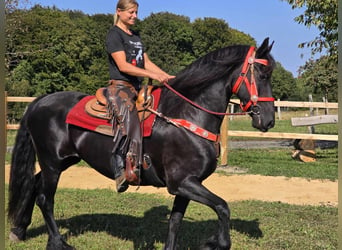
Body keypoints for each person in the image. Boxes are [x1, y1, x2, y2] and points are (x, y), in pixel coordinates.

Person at [105, 0, 175, 192]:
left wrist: (166, 77)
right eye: (131, 12)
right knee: (129, 122)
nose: (135, 16)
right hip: (120, 87)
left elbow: (145, 61)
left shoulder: (135, 36)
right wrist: (153, 76)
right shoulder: (114, 35)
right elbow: (123, 66)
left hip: (137, 88)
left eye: (136, 12)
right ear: (119, 12)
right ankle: (120, 166)